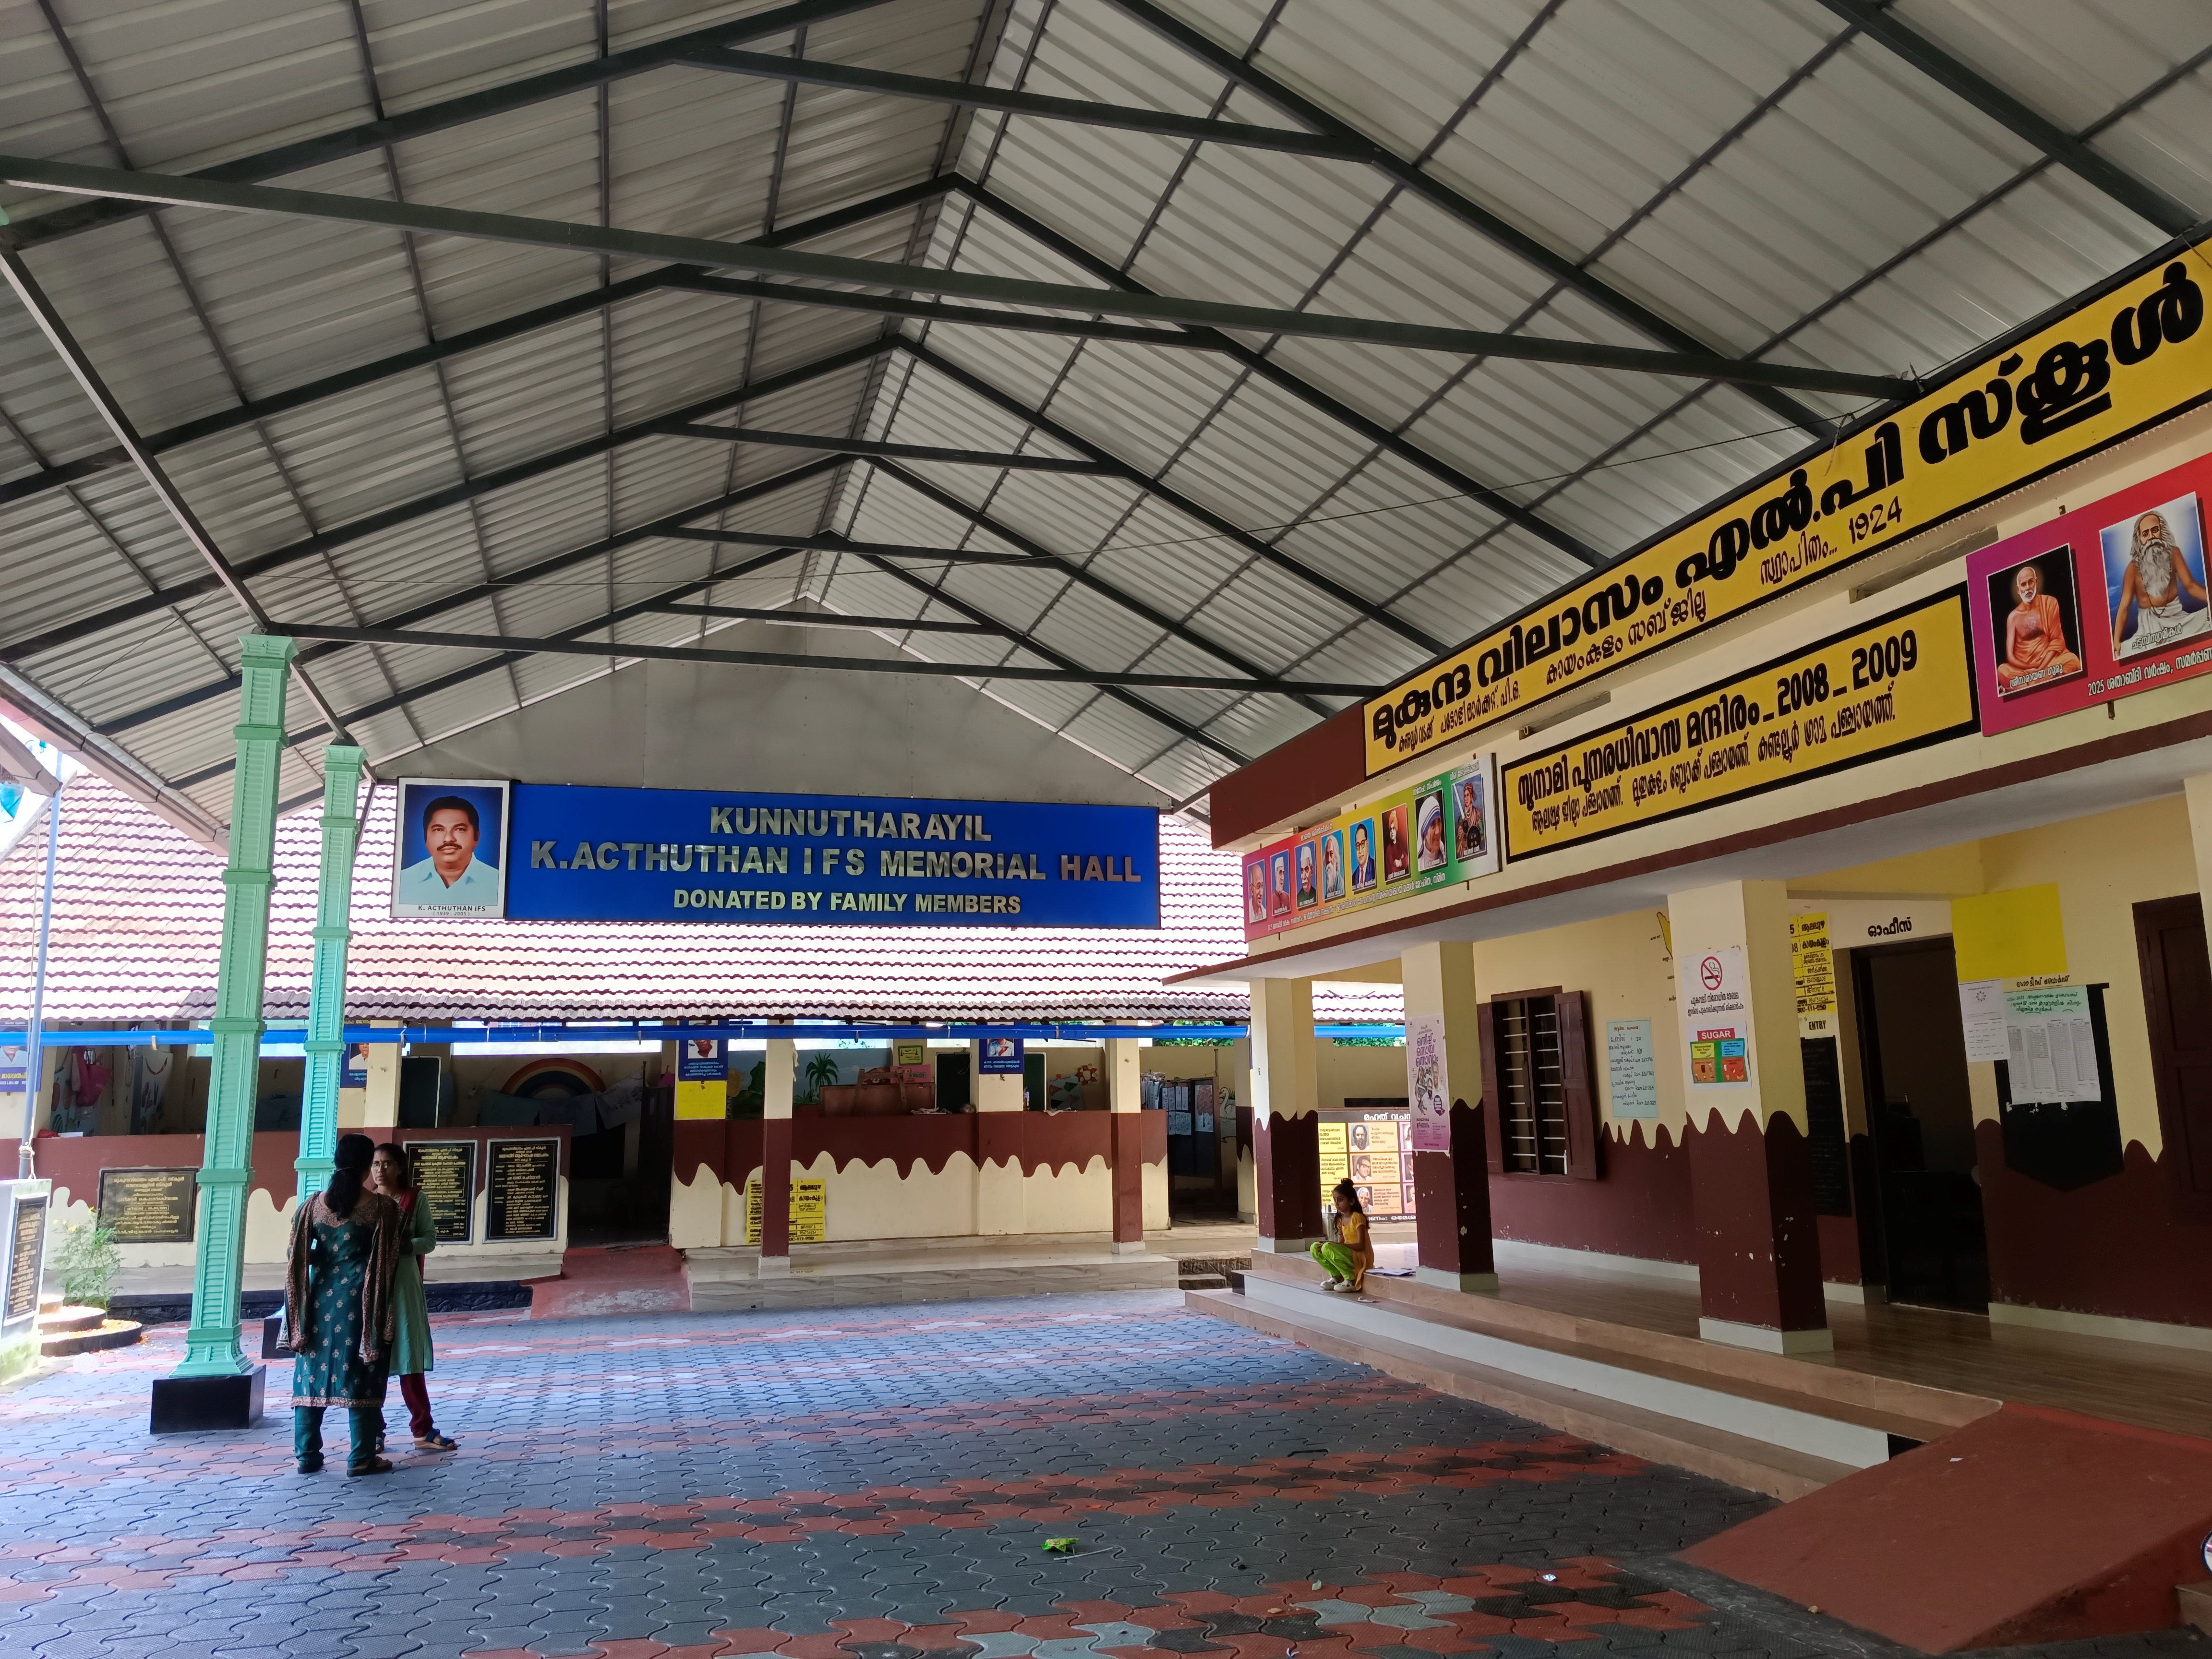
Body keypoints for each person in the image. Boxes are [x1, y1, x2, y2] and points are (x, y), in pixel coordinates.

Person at [284, 1133, 403, 1476]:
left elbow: (295, 1254)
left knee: (310, 1374)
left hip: (318, 1303)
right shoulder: (383, 1209)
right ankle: (361, 1457)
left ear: (336, 1163)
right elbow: (390, 1258)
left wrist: (323, 1257)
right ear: (367, 1167)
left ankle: (307, 1456)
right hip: (360, 1304)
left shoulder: (311, 1207)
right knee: (362, 1372)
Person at [369, 1142, 458, 1455]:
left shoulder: (414, 1198)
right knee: (373, 1360)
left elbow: (429, 1240)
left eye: (388, 1163)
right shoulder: (365, 1201)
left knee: (409, 1357)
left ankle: (422, 1429)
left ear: (400, 1168)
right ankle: (373, 1431)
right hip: (372, 1289)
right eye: (376, 1164)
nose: (381, 1170)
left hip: (405, 1286)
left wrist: (405, 1246)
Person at [2110, 509, 2209, 658]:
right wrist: (2116, 639)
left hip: (2179, 620)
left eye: (2155, 530)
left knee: (2208, 619)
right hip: (2147, 632)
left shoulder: (2174, 553)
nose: (2151, 537)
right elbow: (2124, 606)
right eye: (2145, 534)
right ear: (2140, 540)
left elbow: (2190, 585)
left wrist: (2210, 599)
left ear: (2162, 531)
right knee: (2122, 651)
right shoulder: (2133, 568)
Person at [396, 794, 500, 904]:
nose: (449, 839)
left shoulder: (498, 882)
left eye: (460, 829)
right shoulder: (402, 881)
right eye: (439, 830)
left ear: (477, 837)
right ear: (426, 837)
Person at [1996, 562, 2081, 689]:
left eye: (2031, 582)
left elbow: (2057, 641)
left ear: (2036, 582)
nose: (2028, 588)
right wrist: (2031, 667)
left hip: (2048, 664)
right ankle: (2045, 680)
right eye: (2023, 585)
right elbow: (2010, 656)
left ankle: (2025, 685)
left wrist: (2041, 668)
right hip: (2025, 670)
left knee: (2072, 660)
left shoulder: (2050, 603)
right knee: (2002, 671)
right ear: (2018, 590)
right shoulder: (2013, 618)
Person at [1310, 1180, 1372, 1294]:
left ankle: (1350, 1279)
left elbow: (1361, 1246)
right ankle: (1337, 1277)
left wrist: (1334, 1245)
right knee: (1315, 1247)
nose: (1337, 1204)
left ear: (1352, 1201)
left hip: (1360, 1256)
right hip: (1349, 1253)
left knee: (1328, 1247)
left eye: (1341, 1200)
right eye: (1335, 1200)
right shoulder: (1340, 1219)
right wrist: (1333, 1245)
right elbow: (1341, 1243)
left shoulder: (1357, 1217)